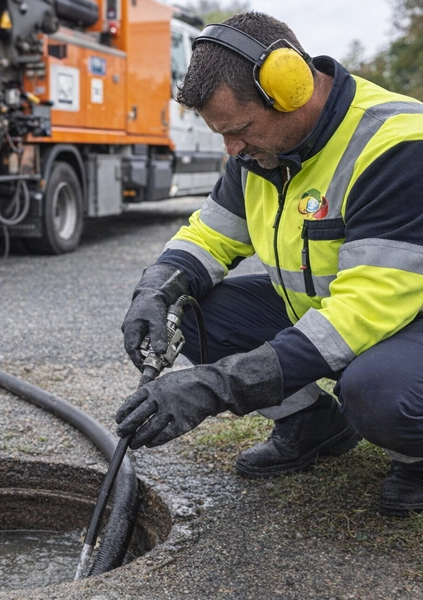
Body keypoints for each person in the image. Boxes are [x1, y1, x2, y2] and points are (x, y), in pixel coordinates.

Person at [116, 11, 423, 516]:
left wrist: (219, 385)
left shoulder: (397, 145)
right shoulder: (261, 153)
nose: (231, 149)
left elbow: (364, 312)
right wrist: (157, 289)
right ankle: (313, 425)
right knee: (193, 313)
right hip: (339, 311)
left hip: (406, 323)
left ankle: (417, 459)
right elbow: (209, 236)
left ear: (292, 88)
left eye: (238, 129)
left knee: (377, 389)